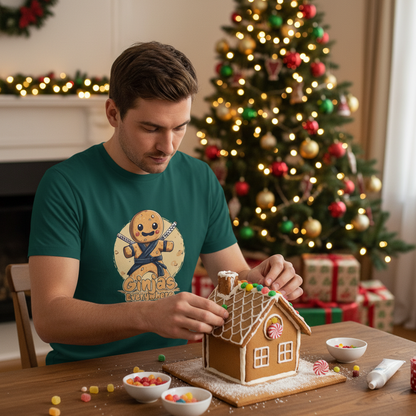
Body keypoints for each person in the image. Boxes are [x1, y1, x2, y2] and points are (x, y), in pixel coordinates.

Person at [28, 41, 303, 365]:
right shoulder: (65, 185)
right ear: (113, 113)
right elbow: (48, 318)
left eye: (179, 127)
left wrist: (265, 279)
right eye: (151, 128)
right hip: (83, 376)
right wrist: (146, 315)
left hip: (177, 370)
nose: (168, 146)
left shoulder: (200, 178)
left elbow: (235, 278)